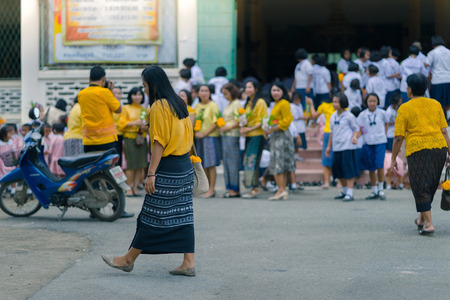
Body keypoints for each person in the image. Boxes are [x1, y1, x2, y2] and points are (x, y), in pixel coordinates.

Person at [101, 65, 196, 276]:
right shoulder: (179, 103)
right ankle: (188, 262)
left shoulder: (159, 106)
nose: (143, 90)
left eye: (144, 86)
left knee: (151, 215)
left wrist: (151, 173)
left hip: (168, 167)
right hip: (184, 166)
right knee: (183, 215)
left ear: (153, 85)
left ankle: (128, 259)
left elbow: (159, 143)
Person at [391, 73, 450, 236]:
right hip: (439, 148)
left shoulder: (404, 108)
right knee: (430, 184)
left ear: (409, 90)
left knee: (420, 186)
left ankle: (429, 224)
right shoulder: (436, 104)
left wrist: (393, 158)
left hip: (418, 150)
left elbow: (398, 137)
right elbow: (444, 131)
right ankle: (421, 219)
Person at [77, 66, 133, 219]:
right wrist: (109, 89)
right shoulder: (105, 92)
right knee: (113, 172)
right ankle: (117, 207)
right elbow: (118, 109)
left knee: (92, 172)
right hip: (107, 140)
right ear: (103, 79)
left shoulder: (81, 94)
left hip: (89, 141)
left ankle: (94, 209)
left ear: (89, 79)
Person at [263, 82, 295, 201]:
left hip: (281, 136)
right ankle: (282, 189)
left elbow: (286, 122)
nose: (275, 92)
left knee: (278, 164)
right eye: (273, 90)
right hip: (276, 136)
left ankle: (281, 190)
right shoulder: (275, 104)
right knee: (278, 164)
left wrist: (271, 129)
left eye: (278, 90)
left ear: (283, 92)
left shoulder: (284, 103)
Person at [326, 93, 360, 201]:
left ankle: (350, 192)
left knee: (348, 169)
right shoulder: (333, 116)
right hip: (336, 146)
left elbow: (356, 129)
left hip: (347, 146)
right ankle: (344, 190)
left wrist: (354, 137)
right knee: (338, 169)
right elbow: (331, 132)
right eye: (334, 102)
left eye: (336, 102)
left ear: (343, 103)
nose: (334, 104)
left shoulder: (349, 116)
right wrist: (328, 146)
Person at [118, 87, 149, 197]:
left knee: (140, 165)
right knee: (131, 165)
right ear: (130, 96)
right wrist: (134, 123)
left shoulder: (144, 110)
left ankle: (135, 188)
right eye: (135, 94)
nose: (137, 97)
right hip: (130, 138)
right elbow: (121, 124)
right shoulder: (126, 108)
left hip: (141, 139)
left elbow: (148, 126)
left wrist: (144, 127)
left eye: (140, 94)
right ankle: (128, 188)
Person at [357, 93, 388, 200]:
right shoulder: (362, 115)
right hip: (368, 142)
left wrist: (384, 133)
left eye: (374, 101)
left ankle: (380, 189)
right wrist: (356, 136)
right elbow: (360, 129)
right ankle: (374, 190)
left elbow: (387, 123)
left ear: (378, 102)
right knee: (371, 167)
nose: (372, 103)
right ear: (366, 102)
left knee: (379, 165)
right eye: (370, 101)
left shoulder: (382, 113)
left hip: (380, 141)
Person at [240, 79, 268, 198]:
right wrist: (243, 128)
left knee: (251, 160)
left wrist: (248, 129)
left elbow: (262, 121)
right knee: (249, 160)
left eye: (250, 87)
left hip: (257, 135)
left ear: (256, 89)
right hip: (249, 135)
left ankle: (254, 188)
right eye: (246, 87)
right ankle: (254, 187)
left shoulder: (260, 102)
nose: (247, 90)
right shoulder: (248, 103)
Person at [194, 85, 221, 198]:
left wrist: (204, 133)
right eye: (202, 91)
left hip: (210, 138)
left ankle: (212, 189)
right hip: (199, 139)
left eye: (206, 91)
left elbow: (217, 122)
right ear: (198, 93)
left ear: (210, 93)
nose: (204, 93)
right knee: (203, 164)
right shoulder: (197, 106)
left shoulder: (213, 105)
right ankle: (206, 188)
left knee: (211, 164)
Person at [219, 83, 243, 198]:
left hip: (232, 135)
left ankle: (235, 189)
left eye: (226, 94)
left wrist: (226, 127)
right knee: (227, 163)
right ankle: (230, 188)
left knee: (232, 163)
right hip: (226, 135)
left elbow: (239, 120)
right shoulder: (229, 103)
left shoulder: (237, 103)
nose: (225, 96)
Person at [306, 95, 335, 188]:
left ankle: (329, 182)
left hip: (335, 133)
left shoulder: (324, 106)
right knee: (327, 158)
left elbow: (314, 115)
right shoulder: (325, 106)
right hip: (330, 132)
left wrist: (311, 104)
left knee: (333, 158)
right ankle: (335, 182)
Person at [425, 36, 450, 121]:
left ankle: (441, 118)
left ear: (433, 44)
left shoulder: (432, 53)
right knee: (448, 99)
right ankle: (449, 116)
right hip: (448, 78)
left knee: (438, 100)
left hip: (437, 79)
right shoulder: (448, 52)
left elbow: (426, 64)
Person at [291, 92, 308, 160]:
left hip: (301, 126)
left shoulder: (300, 105)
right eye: (295, 100)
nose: (296, 101)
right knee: (295, 142)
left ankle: (296, 155)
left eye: (298, 99)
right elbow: (295, 116)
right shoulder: (291, 106)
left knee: (299, 142)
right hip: (295, 125)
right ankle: (294, 155)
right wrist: (305, 117)